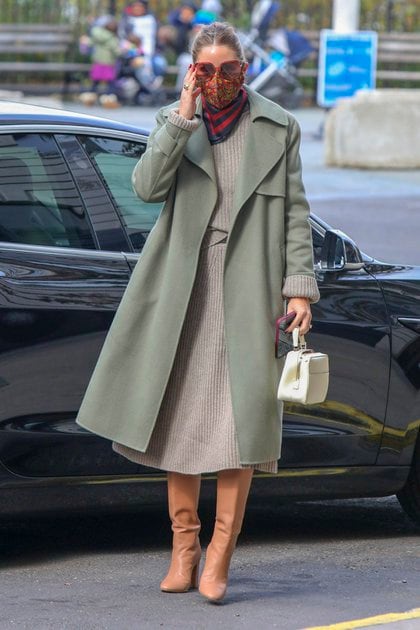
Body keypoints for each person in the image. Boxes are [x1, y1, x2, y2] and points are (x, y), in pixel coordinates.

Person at [75, 21, 320, 602]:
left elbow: (295, 214)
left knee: (241, 426)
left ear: (243, 68)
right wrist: (181, 117)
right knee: (180, 421)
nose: (217, 80)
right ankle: (183, 548)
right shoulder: (174, 121)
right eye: (205, 70)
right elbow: (145, 187)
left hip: (250, 289)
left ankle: (219, 556)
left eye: (228, 69)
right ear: (191, 71)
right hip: (182, 289)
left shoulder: (278, 126)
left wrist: (299, 287)